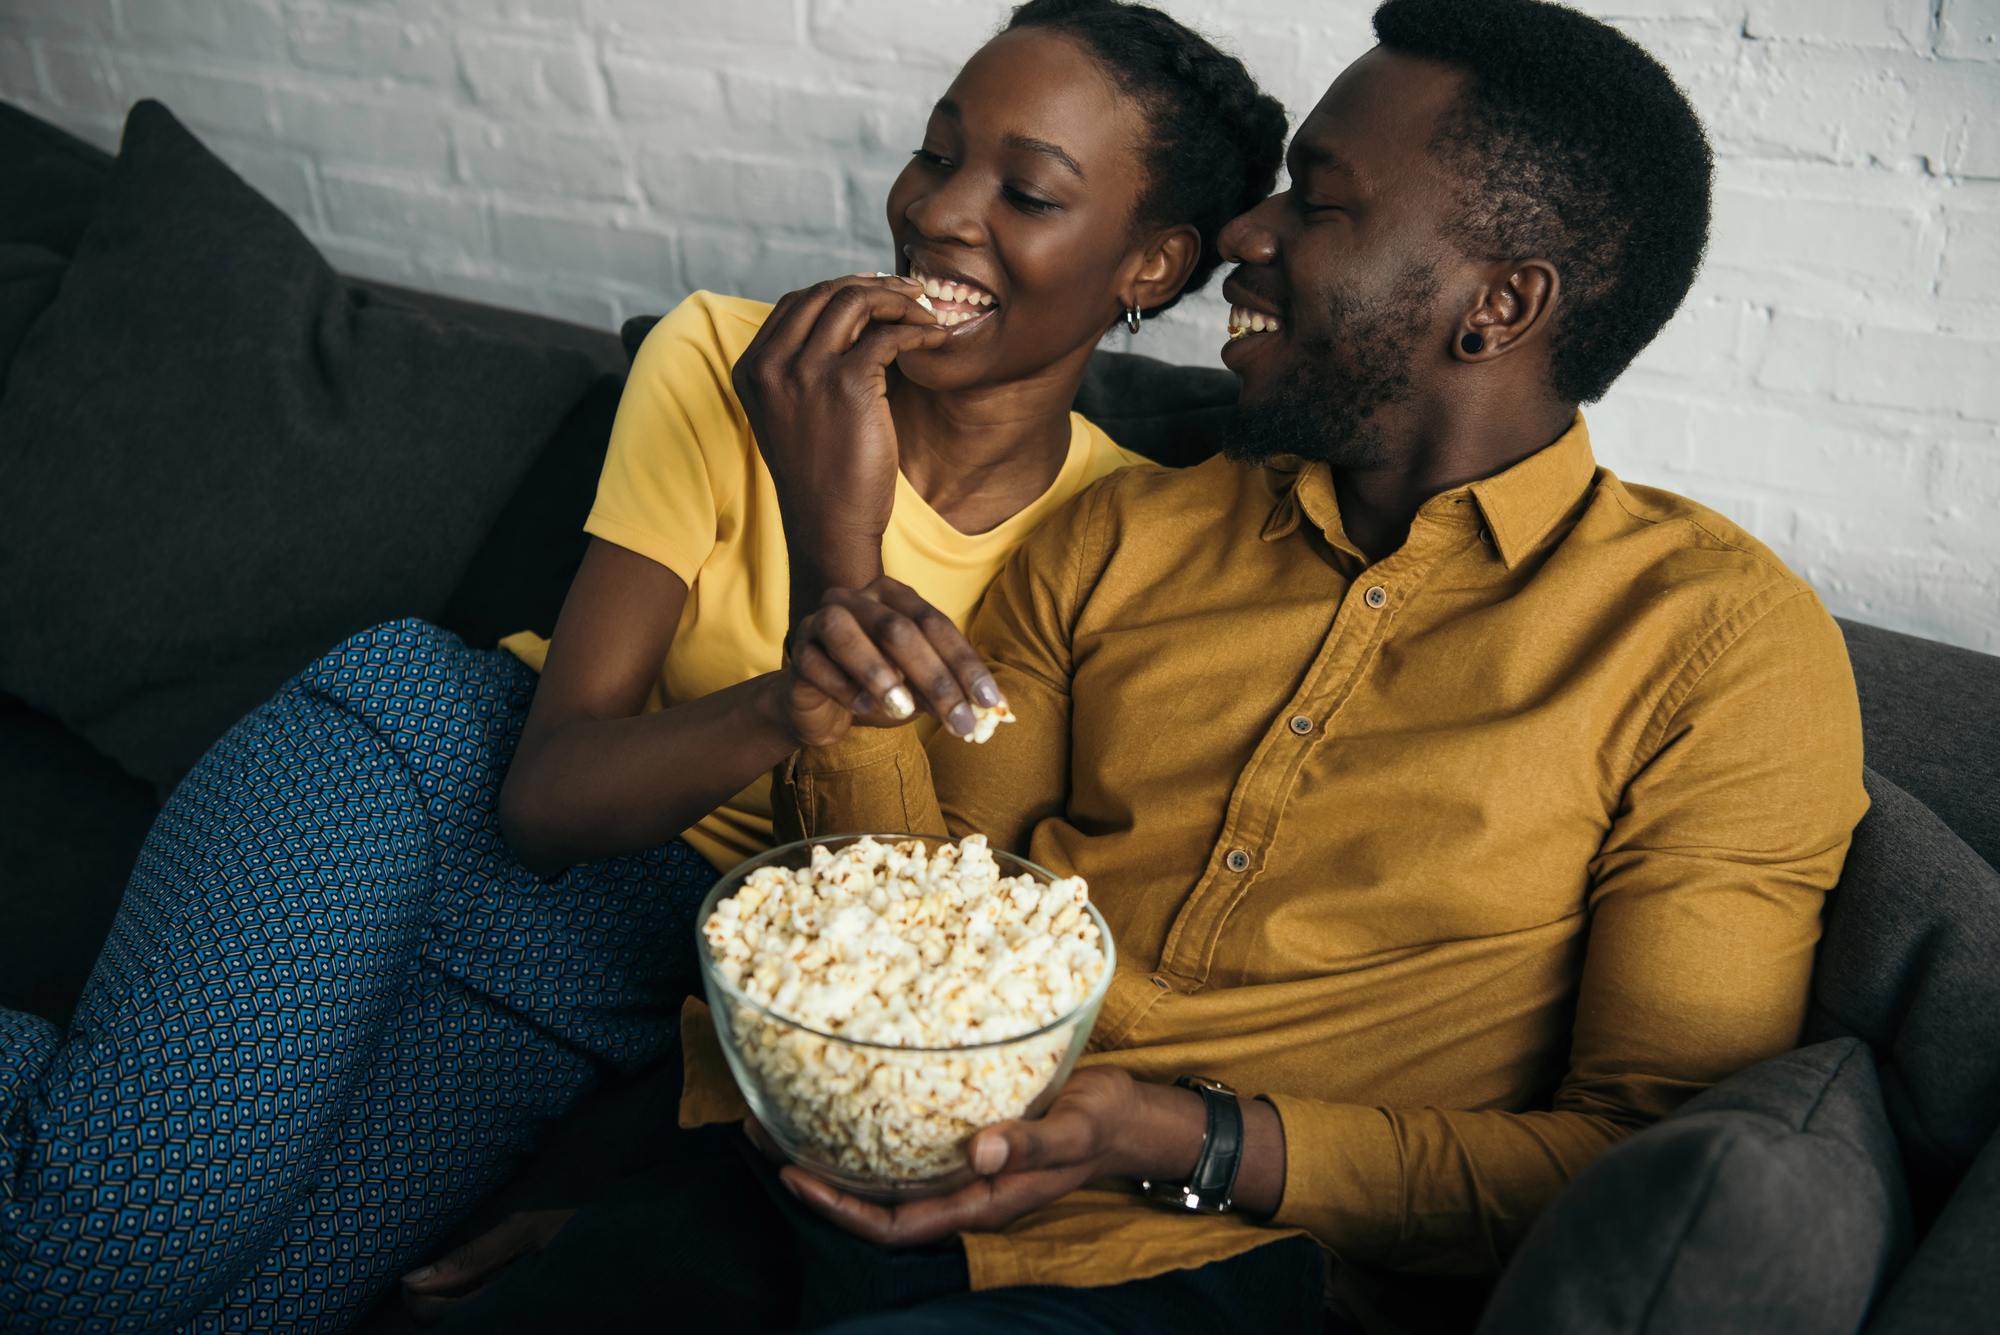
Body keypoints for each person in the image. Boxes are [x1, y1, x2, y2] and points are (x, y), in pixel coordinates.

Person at [431, 1, 1869, 1333]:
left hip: (1198, 1274)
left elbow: (1645, 1148)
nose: (1245, 233)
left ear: (1495, 307)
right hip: (834, 1171)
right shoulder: (1124, 534)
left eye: (1322, 201)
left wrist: (1188, 1136)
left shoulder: (1718, 648)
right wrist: (847, 573)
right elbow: (917, 909)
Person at [0, 3, 1286, 1331]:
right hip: (425, 775)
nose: (941, 213)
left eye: (1026, 191)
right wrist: (808, 639)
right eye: (936, 154)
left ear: (1150, 263)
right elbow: (543, 799)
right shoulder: (730, 360)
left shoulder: (1128, 539)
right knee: (91, 1249)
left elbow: (920, 932)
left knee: (217, 1317)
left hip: (613, 969)